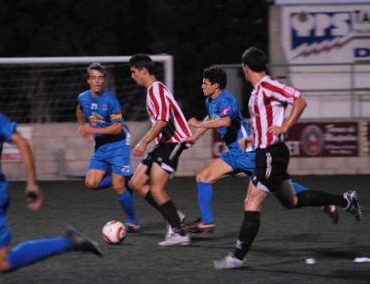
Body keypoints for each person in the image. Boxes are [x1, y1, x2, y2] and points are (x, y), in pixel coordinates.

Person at [213, 47, 362, 269]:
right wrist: (252, 139)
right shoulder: (257, 91)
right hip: (267, 151)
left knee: (251, 200)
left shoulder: (268, 84)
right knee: (291, 201)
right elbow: (267, 121)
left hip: (272, 153)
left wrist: (286, 125)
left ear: (246, 68)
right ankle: (345, 200)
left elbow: (299, 101)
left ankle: (237, 256)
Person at [0, 72, 102, 283]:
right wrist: (32, 183)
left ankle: (69, 242)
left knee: (3, 262)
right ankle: (69, 241)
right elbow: (22, 143)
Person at [184, 66, 338, 234]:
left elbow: (225, 121)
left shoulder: (227, 99)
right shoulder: (210, 101)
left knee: (279, 188)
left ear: (216, 86)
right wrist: (195, 137)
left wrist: (199, 123)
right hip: (235, 153)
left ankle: (324, 202)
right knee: (203, 177)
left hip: (247, 152)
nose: (202, 86)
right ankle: (206, 222)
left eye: (205, 83)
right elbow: (211, 118)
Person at [128, 54, 191, 246]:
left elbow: (163, 120)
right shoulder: (153, 90)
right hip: (163, 143)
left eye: (133, 72)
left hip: (173, 142)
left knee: (156, 188)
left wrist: (144, 142)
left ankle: (179, 233)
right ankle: (173, 215)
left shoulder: (156, 89)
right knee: (137, 183)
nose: (132, 76)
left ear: (144, 71)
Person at [76, 63, 139, 232]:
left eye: (101, 78)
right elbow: (80, 109)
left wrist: (92, 129)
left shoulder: (111, 100)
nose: (97, 81)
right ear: (88, 80)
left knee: (118, 187)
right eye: (94, 78)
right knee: (91, 183)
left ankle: (132, 222)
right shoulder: (82, 97)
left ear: (104, 80)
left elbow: (118, 128)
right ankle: (124, 177)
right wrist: (81, 125)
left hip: (119, 143)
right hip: (102, 145)